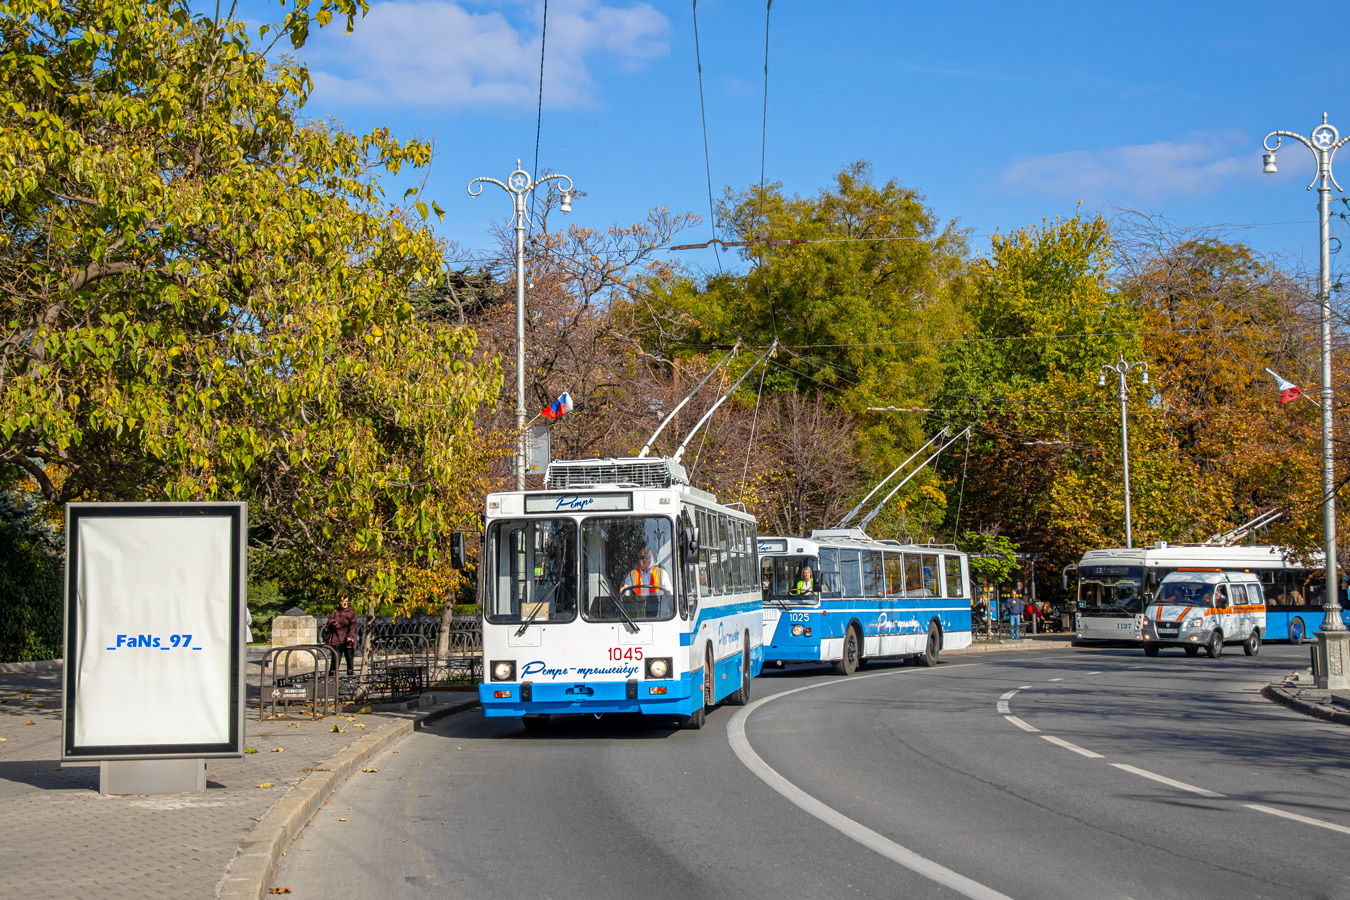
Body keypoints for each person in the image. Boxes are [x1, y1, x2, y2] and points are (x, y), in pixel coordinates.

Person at [325, 596, 357, 677]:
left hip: (348, 641)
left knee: (349, 660)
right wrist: (332, 624)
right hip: (336, 640)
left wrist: (350, 635)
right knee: (335, 660)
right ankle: (332, 677)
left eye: (345, 601)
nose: (343, 603)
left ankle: (350, 676)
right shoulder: (335, 612)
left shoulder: (351, 613)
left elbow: (353, 626)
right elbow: (328, 624)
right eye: (341, 601)